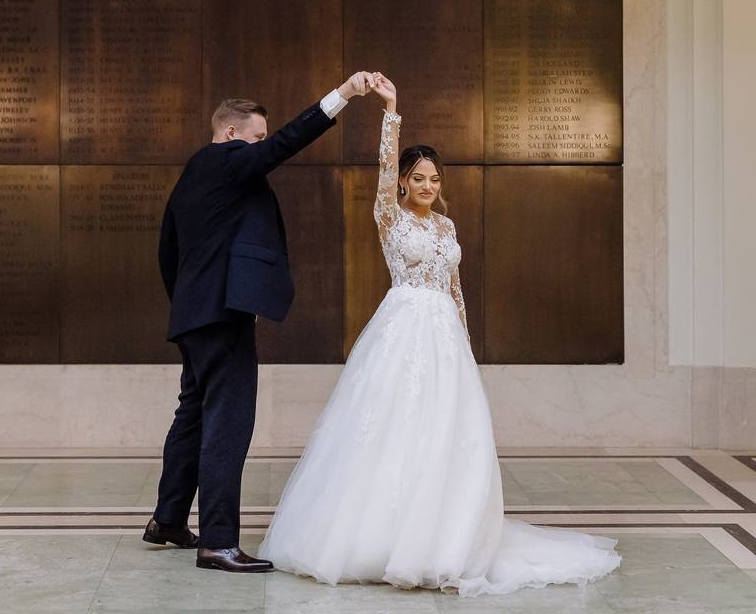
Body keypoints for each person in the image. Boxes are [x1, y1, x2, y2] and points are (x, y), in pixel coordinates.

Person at [258, 73, 622, 595]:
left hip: (445, 339)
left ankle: (444, 536)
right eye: (420, 178)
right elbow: (383, 169)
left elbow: (456, 291)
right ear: (404, 182)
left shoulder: (446, 228)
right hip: (402, 330)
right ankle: (380, 538)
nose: (429, 186)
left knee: (447, 432)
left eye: (435, 179)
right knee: (392, 427)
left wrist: (465, 347)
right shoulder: (389, 217)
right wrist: (392, 111)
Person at [147, 71, 378, 573]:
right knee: (228, 426)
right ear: (231, 134)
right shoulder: (227, 163)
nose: (260, 148)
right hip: (222, 314)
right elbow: (287, 142)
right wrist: (344, 95)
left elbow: (168, 251)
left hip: (193, 315)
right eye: (255, 137)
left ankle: (167, 520)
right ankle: (219, 542)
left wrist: (189, 307)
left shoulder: (190, 176)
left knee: (192, 417)